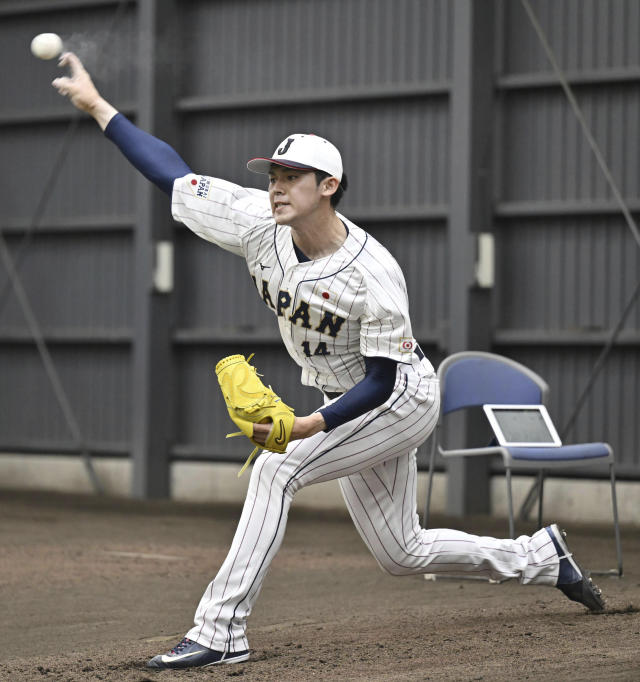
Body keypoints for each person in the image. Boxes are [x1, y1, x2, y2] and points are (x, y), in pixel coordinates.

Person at [52, 53, 605, 670]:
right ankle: (541, 557)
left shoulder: (374, 273)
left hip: (396, 399)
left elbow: (382, 380)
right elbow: (173, 176)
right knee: (403, 552)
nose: (278, 186)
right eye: (274, 174)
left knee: (274, 471)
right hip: (344, 398)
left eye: (293, 176)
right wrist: (99, 107)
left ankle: (221, 630)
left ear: (329, 187)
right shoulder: (260, 222)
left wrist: (311, 425)